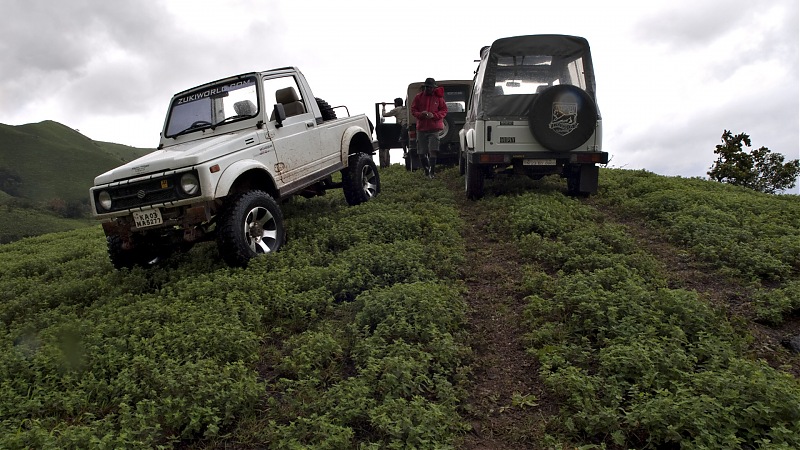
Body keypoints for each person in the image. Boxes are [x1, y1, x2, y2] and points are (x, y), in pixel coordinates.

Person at [411, 77, 448, 178]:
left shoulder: (439, 98)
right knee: (421, 152)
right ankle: (426, 170)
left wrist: (434, 115)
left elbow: (444, 110)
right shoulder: (418, 97)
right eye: (427, 87)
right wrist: (420, 114)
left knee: (433, 150)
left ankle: (432, 172)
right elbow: (413, 110)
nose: (429, 89)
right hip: (421, 128)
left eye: (431, 87)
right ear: (425, 87)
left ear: (434, 88)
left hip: (434, 128)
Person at [381, 97, 408, 168]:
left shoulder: (397, 109)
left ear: (396, 103)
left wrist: (383, 107)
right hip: (409, 126)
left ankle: (405, 152)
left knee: (402, 139)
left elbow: (384, 114)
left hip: (403, 126)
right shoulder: (407, 109)